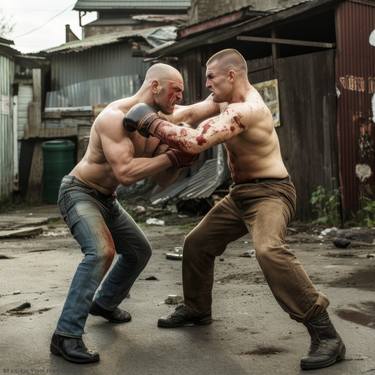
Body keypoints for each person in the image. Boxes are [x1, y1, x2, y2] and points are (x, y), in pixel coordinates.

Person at [123, 49, 346, 371]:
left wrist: (149, 121)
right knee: (197, 245)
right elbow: (185, 115)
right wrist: (138, 111)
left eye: (211, 77)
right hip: (240, 194)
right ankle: (197, 309)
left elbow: (196, 141)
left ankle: (326, 334)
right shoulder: (223, 101)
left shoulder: (249, 109)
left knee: (269, 250)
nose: (207, 84)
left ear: (231, 75)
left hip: (271, 192)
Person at [50, 63, 220, 364]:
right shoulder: (114, 117)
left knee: (139, 251)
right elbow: (126, 173)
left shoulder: (159, 124)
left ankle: (104, 303)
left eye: (182, 91)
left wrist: (182, 160)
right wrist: (171, 156)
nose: (179, 96)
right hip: (79, 191)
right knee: (101, 252)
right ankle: (66, 336)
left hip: (107, 198)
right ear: (155, 86)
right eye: (175, 89)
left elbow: (161, 177)